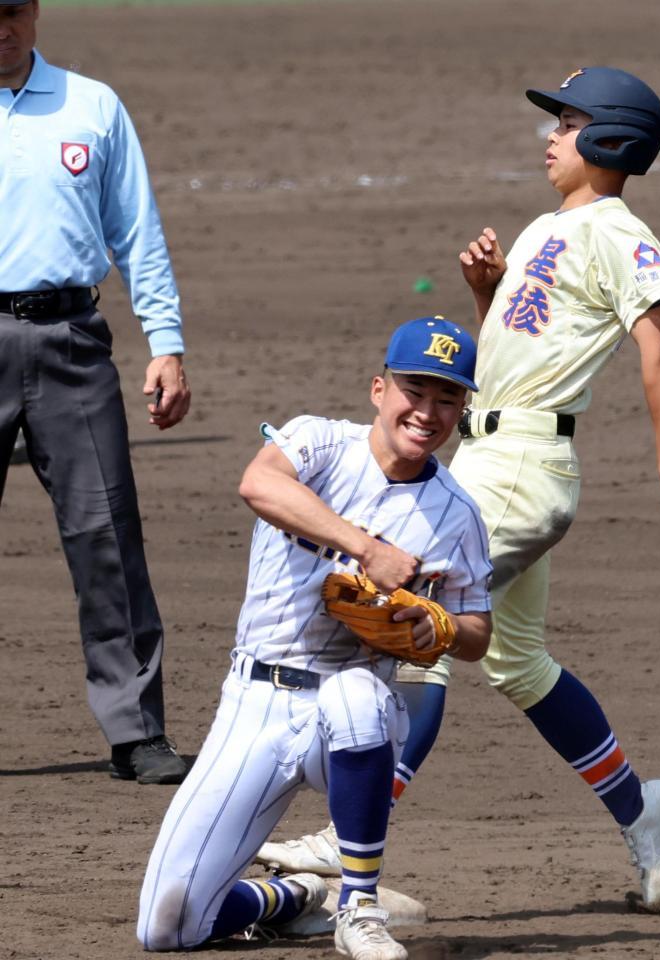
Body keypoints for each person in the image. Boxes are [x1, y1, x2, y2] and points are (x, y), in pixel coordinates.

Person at [258, 67, 660, 909]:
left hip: (517, 470)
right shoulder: (552, 226)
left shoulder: (621, 233)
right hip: (491, 458)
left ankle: (348, 837)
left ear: (610, 140)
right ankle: (638, 806)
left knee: (416, 633)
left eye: (568, 121)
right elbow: (513, 360)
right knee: (515, 661)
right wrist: (486, 294)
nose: (549, 135)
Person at [137, 316, 493, 960]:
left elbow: (477, 632)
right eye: (416, 390)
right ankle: (300, 895)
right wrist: (365, 548)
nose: (429, 411)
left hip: (352, 717)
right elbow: (258, 483)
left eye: (448, 398)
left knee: (354, 692)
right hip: (256, 702)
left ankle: (360, 906)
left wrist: (440, 626)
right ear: (378, 389)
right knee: (168, 926)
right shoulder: (319, 444)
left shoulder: (457, 513)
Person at [0, 0, 191, 784]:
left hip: (71, 341)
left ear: (35, 12)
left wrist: (167, 342)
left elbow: (137, 231)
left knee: (107, 536)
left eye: (11, 10)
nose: (0, 27)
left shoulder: (92, 105)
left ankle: (136, 729)